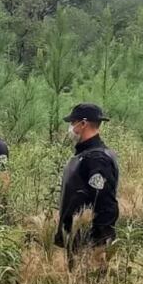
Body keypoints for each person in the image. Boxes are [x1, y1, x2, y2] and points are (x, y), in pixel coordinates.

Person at [54, 103, 120, 269]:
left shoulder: (97, 159)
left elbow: (106, 204)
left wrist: (99, 245)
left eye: (72, 123)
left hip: (88, 243)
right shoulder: (85, 156)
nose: (70, 128)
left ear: (83, 124)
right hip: (77, 240)